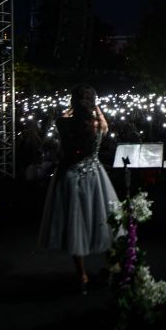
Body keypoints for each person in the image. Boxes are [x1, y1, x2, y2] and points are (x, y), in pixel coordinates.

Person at [38, 84, 119, 295]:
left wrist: (72, 107)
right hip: (94, 175)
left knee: (76, 227)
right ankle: (111, 270)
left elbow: (63, 116)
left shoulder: (62, 123)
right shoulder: (99, 124)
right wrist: (97, 108)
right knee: (103, 221)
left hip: (69, 176)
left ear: (73, 102)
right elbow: (105, 126)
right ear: (93, 102)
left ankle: (82, 276)